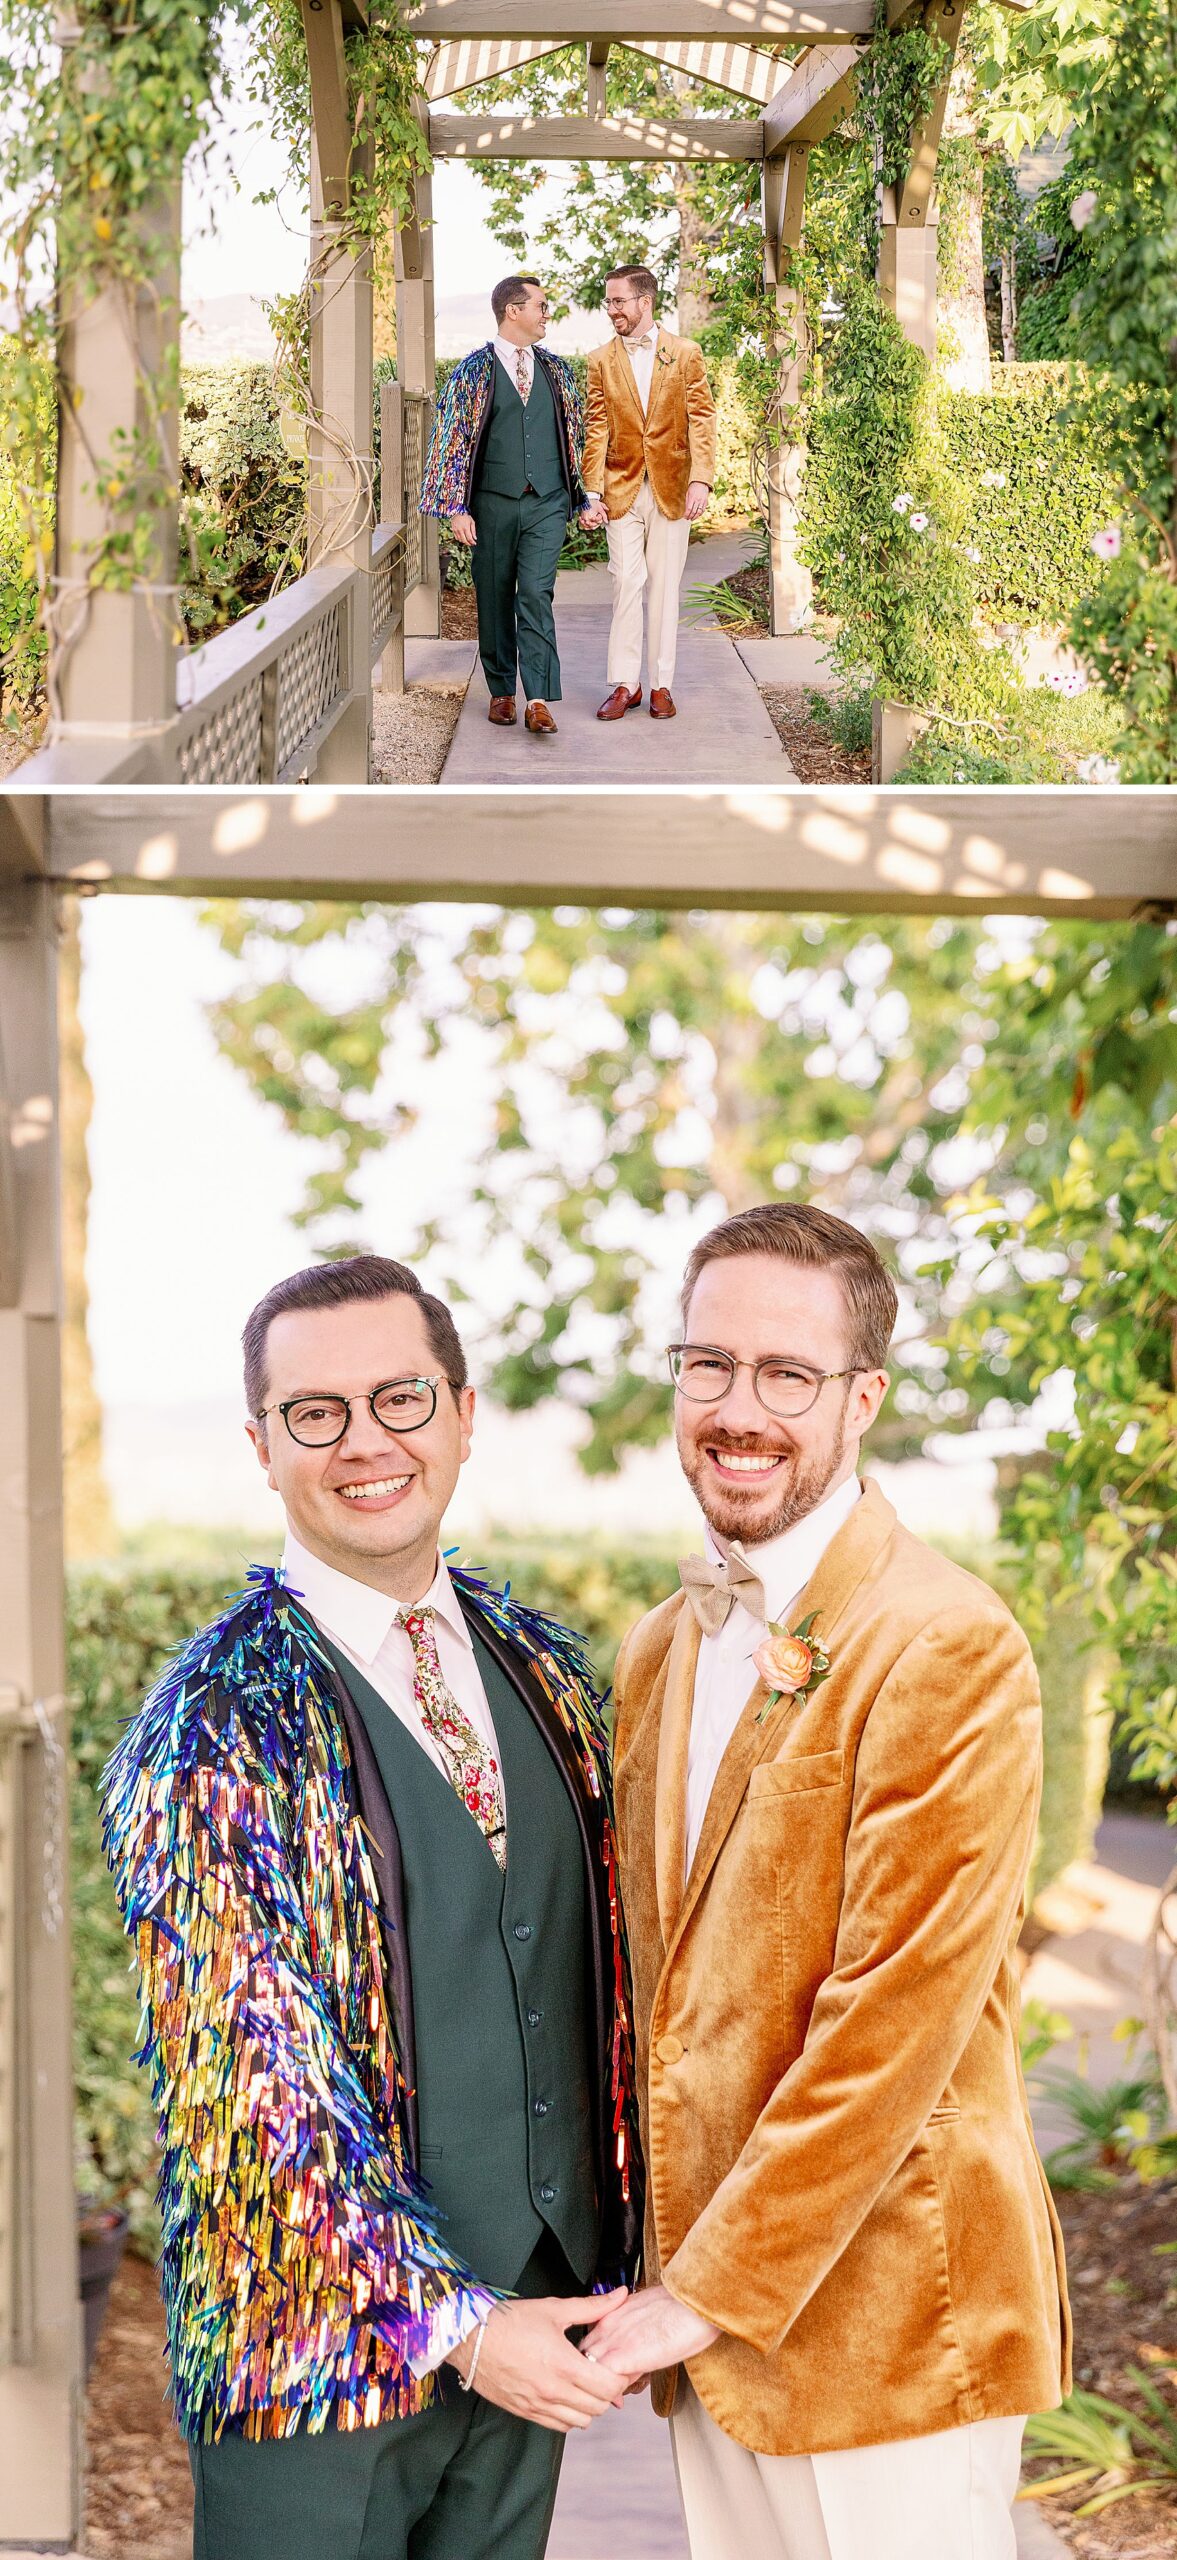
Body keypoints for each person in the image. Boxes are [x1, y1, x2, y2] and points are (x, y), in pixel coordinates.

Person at [102, 1254, 640, 2560]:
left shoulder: (541, 1669)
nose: (365, 1442)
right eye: (316, 1412)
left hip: (537, 2313)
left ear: (462, 1413)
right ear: (262, 1445)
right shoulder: (210, 1722)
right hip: (317, 2366)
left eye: (400, 1398)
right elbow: (247, 2085)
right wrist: (454, 2324)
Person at [588, 1203, 1071, 2560]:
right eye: (708, 1365)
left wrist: (704, 2291)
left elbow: (893, 2026)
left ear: (862, 1399)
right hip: (709, 2335)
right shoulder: (661, 1648)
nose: (738, 1410)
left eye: (786, 1375)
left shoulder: (943, 1641)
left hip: (892, 2324)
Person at [419, 276, 595, 736]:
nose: (547, 313)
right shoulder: (474, 371)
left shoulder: (556, 370)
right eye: (541, 305)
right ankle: (501, 691)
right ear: (513, 311)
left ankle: (537, 698)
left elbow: (576, 438)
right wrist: (456, 508)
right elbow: (451, 440)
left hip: (547, 502)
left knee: (536, 593)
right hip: (492, 503)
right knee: (494, 595)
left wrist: (585, 497)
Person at [580, 265, 716, 724]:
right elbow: (596, 429)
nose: (612, 310)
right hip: (620, 489)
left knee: (663, 588)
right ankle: (626, 684)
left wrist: (701, 479)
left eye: (619, 301)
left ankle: (660, 685)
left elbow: (702, 419)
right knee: (625, 582)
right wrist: (591, 492)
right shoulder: (599, 360)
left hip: (673, 487)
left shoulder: (685, 353)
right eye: (609, 302)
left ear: (645, 301)